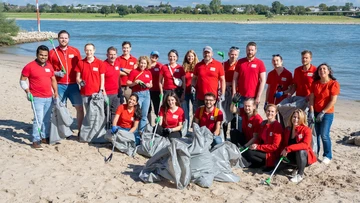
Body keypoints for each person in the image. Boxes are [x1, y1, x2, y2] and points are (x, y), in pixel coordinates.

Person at [20, 45, 58, 150]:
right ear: (37, 54)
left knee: (47, 119)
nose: (43, 57)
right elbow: (22, 80)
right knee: (38, 119)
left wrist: (56, 92)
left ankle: (44, 137)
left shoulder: (49, 66)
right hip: (36, 98)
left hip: (49, 97)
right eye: (41, 55)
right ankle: (36, 140)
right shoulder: (29, 66)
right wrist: (27, 91)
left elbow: (53, 79)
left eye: (45, 55)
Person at [48, 30, 84, 136]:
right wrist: (56, 73)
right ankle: (63, 131)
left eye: (66, 38)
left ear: (68, 39)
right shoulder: (52, 52)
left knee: (80, 108)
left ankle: (80, 130)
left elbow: (81, 67)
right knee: (60, 108)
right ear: (58, 39)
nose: (63, 40)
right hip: (59, 85)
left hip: (73, 85)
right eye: (61, 38)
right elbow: (48, 69)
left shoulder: (75, 51)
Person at [309, 63, 340, 165]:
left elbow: (333, 101)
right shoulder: (315, 83)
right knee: (315, 135)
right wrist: (312, 111)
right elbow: (312, 99)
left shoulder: (333, 84)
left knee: (324, 135)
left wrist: (323, 112)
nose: (322, 71)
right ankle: (315, 153)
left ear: (329, 71)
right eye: (320, 69)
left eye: (324, 69)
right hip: (315, 112)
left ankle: (327, 155)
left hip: (327, 114)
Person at [242, 104, 282, 171]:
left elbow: (275, 146)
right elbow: (259, 138)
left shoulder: (277, 126)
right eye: (268, 111)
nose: (270, 113)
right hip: (263, 148)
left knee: (250, 153)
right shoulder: (264, 124)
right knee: (247, 151)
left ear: (276, 113)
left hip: (271, 152)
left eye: (272, 111)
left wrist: (258, 147)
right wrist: (255, 144)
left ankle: (266, 164)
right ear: (265, 112)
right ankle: (259, 163)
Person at [280, 109, 317, 183]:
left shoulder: (306, 130)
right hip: (290, 155)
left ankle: (300, 174)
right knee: (275, 165)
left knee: (301, 151)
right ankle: (294, 167)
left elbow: (305, 145)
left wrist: (288, 148)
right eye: (294, 117)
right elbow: (283, 143)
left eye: (298, 118)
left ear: (302, 119)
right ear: (291, 117)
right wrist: (283, 151)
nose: (296, 119)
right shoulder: (287, 129)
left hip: (303, 157)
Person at [265, 54, 293, 127]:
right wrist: (266, 101)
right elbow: (268, 88)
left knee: (283, 121)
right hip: (272, 101)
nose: (275, 62)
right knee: (272, 121)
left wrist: (284, 93)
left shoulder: (288, 74)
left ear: (281, 61)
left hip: (283, 102)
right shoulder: (271, 74)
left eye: (277, 60)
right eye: (274, 61)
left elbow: (291, 88)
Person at [75, 43, 105, 107]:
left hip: (96, 92)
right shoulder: (80, 63)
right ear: (84, 50)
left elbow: (102, 78)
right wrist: (80, 82)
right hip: (85, 92)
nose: (88, 52)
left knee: (97, 112)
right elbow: (77, 78)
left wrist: (101, 89)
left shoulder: (100, 63)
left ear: (94, 50)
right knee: (88, 113)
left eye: (90, 50)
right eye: (87, 50)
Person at [127, 56, 153, 132]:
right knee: (136, 114)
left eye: (144, 63)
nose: (143, 65)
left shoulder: (148, 72)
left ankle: (141, 132)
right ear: (139, 63)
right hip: (137, 94)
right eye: (141, 63)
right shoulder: (134, 71)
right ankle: (134, 131)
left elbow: (151, 84)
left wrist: (149, 85)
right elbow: (128, 83)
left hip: (147, 94)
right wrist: (135, 82)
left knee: (144, 115)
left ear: (147, 64)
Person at [222, 46, 240, 136]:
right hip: (225, 91)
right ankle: (224, 134)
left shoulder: (239, 65)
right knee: (225, 112)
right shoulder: (223, 64)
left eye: (235, 55)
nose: (233, 56)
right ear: (229, 54)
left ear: (238, 55)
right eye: (232, 54)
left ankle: (233, 135)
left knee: (234, 113)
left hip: (235, 93)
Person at [103, 46, 123, 122]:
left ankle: (112, 128)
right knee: (106, 112)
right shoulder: (103, 65)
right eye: (111, 54)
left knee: (115, 111)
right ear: (107, 55)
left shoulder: (117, 63)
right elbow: (100, 80)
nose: (112, 56)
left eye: (114, 54)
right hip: (107, 93)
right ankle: (105, 128)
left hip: (116, 93)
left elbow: (118, 76)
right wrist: (103, 93)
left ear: (116, 55)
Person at [181, 50, 199, 131]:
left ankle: (194, 128)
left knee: (195, 111)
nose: (190, 58)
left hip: (194, 92)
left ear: (194, 57)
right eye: (189, 56)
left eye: (192, 56)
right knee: (185, 111)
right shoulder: (184, 67)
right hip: (185, 91)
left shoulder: (197, 66)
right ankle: (186, 129)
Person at [148, 51, 163, 121]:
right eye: (153, 56)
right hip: (148, 90)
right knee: (148, 108)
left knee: (157, 108)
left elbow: (163, 78)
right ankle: (148, 124)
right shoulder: (147, 65)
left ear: (158, 58)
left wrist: (162, 90)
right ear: (150, 56)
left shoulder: (160, 66)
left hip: (157, 90)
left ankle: (158, 124)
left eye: (156, 56)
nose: (154, 57)